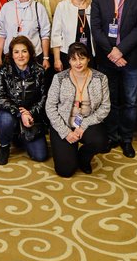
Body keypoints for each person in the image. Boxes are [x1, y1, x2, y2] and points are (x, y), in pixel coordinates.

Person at [90, 0, 137, 158]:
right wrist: (112, 52)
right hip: (107, 58)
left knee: (131, 101)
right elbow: (96, 28)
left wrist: (120, 50)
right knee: (110, 100)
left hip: (131, 58)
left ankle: (126, 139)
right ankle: (112, 136)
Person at [45, 42, 111, 177]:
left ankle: (83, 157)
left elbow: (105, 107)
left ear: (88, 59)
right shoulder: (59, 78)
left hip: (87, 123)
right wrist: (66, 132)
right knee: (65, 171)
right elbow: (50, 107)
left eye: (82, 58)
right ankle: (70, 151)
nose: (78, 63)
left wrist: (84, 125)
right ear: (68, 60)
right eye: (74, 59)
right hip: (63, 124)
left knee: (101, 141)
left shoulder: (100, 78)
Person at [0, 35, 49, 165]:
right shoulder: (3, 71)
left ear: (30, 53)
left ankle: (19, 136)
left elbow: (44, 97)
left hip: (31, 116)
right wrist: (20, 112)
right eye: (16, 52)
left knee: (40, 156)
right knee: (5, 119)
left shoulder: (39, 71)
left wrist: (30, 113)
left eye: (24, 51)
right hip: (10, 113)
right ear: (11, 55)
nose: (20, 55)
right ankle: (5, 146)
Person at [0, 0, 51, 70]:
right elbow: (2, 34)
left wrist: (45, 58)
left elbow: (45, 35)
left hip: (34, 56)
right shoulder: (7, 7)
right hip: (10, 56)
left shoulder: (38, 7)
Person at [50, 0, 93, 72]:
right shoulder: (62, 6)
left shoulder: (94, 5)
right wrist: (57, 59)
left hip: (90, 55)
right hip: (68, 56)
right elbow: (56, 35)